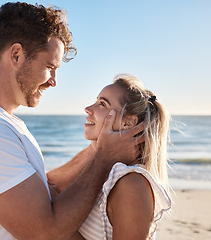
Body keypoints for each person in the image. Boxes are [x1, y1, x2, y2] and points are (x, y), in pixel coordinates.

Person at [0, 2, 144, 240]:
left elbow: (42, 187)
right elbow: (45, 233)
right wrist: (103, 159)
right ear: (16, 55)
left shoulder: (3, 123)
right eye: (50, 67)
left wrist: (98, 149)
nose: (53, 81)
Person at [51, 74, 172, 240]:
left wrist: (59, 231)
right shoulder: (98, 171)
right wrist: (99, 152)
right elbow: (48, 185)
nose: (88, 108)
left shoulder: (132, 184)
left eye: (102, 104)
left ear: (128, 123)